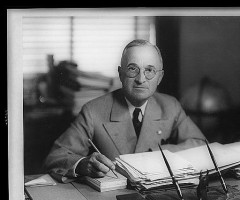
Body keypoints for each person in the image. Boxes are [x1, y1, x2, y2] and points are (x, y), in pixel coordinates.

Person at [43, 39, 206, 182]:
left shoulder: (171, 106)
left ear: (160, 77)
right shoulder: (93, 111)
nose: (141, 79)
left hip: (160, 192)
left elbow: (200, 145)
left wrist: (157, 156)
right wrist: (82, 165)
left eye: (149, 70)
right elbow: (56, 157)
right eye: (132, 69)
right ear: (120, 74)